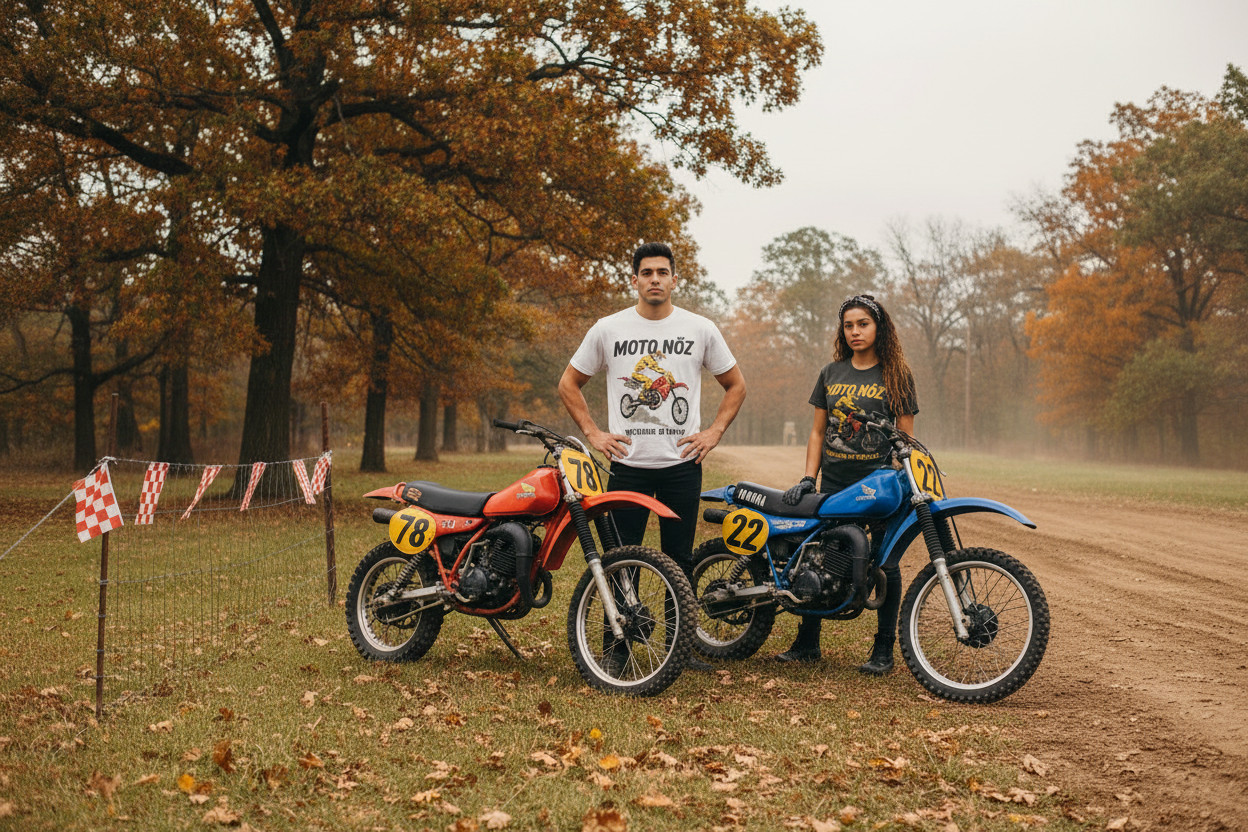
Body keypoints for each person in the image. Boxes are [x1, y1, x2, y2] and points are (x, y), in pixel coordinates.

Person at [559, 242, 747, 671]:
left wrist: (714, 432)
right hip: (628, 467)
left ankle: (677, 651)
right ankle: (617, 648)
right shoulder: (608, 329)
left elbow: (736, 385)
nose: (655, 279)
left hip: (682, 466)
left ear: (675, 279)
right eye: (647, 272)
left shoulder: (700, 328)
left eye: (663, 272)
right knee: (622, 559)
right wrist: (593, 433)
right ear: (635, 280)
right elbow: (569, 383)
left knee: (679, 562)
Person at [774, 293, 918, 675]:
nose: (855, 331)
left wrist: (898, 480)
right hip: (835, 483)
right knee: (822, 558)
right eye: (848, 325)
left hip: (880, 487)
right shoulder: (831, 373)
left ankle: (883, 650)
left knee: (885, 564)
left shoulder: (896, 375)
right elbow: (818, 432)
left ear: (879, 327)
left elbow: (905, 438)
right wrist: (809, 478)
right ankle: (807, 643)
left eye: (863, 324)